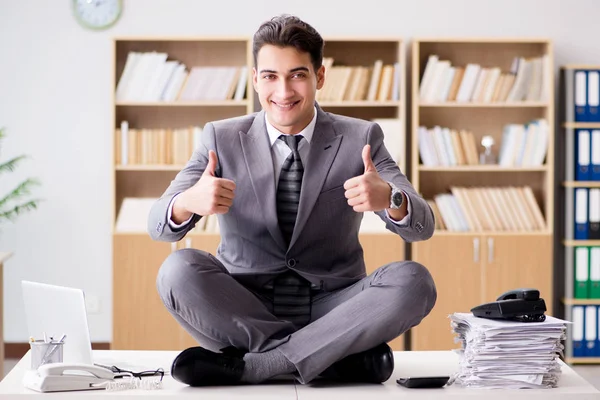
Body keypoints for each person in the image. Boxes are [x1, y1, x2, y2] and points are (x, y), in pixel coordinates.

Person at [148, 14, 437, 386]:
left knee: (414, 280)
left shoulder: (361, 136)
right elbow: (159, 225)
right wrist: (188, 201)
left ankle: (256, 366)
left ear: (319, 77)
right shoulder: (220, 137)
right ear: (255, 79)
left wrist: (390, 196)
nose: (283, 92)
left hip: (335, 307)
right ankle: (327, 359)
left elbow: (422, 226)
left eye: (297, 75)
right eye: (270, 76)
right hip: (244, 307)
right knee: (176, 270)